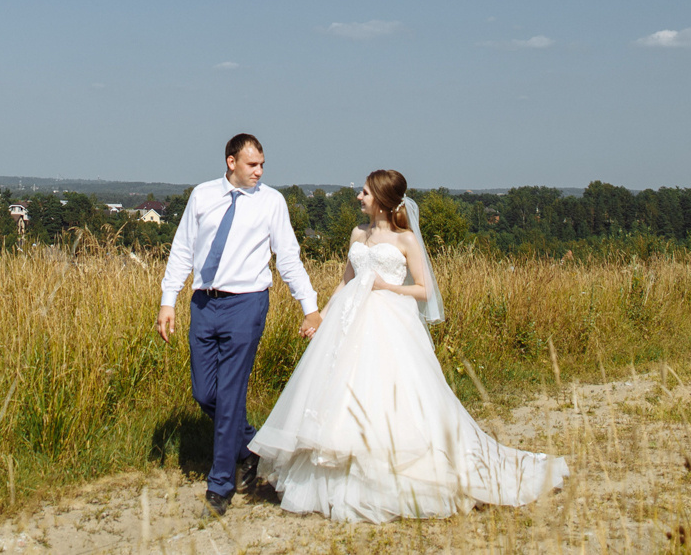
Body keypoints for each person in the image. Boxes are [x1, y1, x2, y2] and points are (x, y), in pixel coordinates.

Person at [248, 169, 568, 523]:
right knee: (340, 391)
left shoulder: (406, 240)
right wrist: (320, 317)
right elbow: (345, 281)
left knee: (392, 394)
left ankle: (397, 471)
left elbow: (424, 289)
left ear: (382, 199)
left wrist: (387, 287)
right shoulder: (357, 233)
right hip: (347, 321)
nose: (359, 197)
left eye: (365, 192)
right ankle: (335, 475)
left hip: (389, 321)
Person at [158, 133, 323, 517]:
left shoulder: (272, 202)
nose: (259, 171)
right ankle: (250, 447)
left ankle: (220, 487)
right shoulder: (202, 196)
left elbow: (288, 257)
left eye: (262, 164)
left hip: (247, 304)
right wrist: (168, 300)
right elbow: (182, 249)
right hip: (204, 303)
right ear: (231, 162)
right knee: (205, 393)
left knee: (231, 394)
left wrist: (310, 307)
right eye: (252, 164)